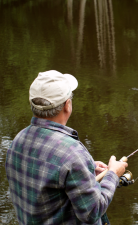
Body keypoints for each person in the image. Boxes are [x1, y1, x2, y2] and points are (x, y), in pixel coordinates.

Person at [5, 70, 127, 225]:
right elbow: (92, 211)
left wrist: (86, 168)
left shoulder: (17, 141)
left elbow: (47, 177)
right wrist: (113, 175)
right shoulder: (72, 154)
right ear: (67, 105)